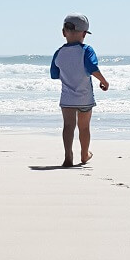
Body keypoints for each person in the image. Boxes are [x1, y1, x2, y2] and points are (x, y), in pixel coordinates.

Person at [50, 13, 109, 167]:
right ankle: (84, 154)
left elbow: (54, 74)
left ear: (63, 32)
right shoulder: (86, 50)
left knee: (68, 126)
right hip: (84, 97)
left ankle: (68, 155)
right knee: (84, 127)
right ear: (84, 34)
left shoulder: (59, 53)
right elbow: (92, 68)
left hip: (67, 98)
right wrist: (103, 81)